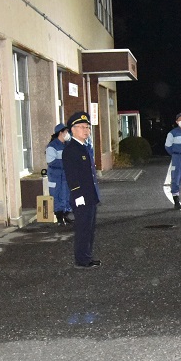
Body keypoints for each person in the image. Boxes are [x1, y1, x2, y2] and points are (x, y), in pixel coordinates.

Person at [64, 111, 102, 267]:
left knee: (90, 228)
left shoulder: (84, 147)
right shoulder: (71, 149)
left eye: (87, 127)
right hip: (81, 196)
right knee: (83, 228)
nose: (86, 130)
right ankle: (81, 259)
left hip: (90, 195)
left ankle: (87, 256)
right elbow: (72, 176)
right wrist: (78, 195)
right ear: (73, 129)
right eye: (82, 127)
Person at [46, 123, 72, 224]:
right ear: (60, 133)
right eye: (66, 132)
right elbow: (51, 161)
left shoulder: (67, 145)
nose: (67, 134)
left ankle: (65, 215)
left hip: (65, 176)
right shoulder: (52, 146)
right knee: (57, 196)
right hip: (56, 176)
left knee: (66, 195)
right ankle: (59, 218)